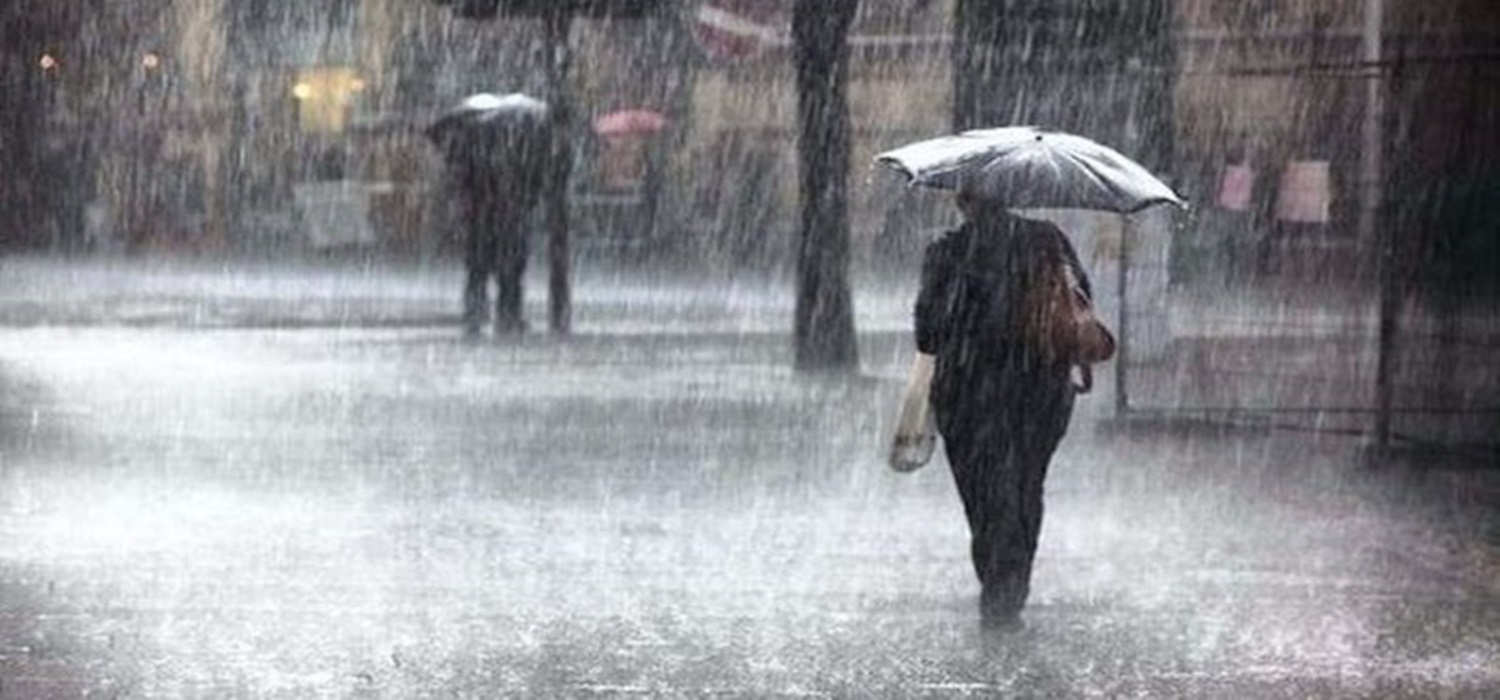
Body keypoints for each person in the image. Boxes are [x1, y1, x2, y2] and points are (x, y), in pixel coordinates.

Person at [913, 192, 1094, 629]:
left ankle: (998, 580)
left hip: (967, 394)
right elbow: (1082, 300)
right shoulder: (1049, 240)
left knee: (983, 497)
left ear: (963, 201)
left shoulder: (947, 253)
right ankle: (1011, 584)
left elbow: (928, 335)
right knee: (1027, 486)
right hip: (1041, 388)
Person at [447, 118, 549, 337]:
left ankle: (479, 314)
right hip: (503, 221)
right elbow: (531, 188)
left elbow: (461, 187)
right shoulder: (516, 156)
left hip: (487, 222)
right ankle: (506, 314)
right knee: (505, 271)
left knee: (482, 270)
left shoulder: (472, 155)